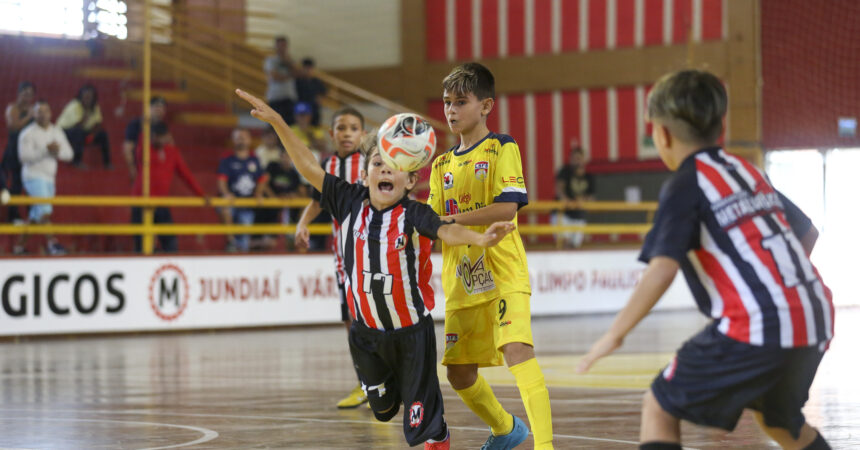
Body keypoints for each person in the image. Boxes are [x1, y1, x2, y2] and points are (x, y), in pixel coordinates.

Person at [237, 87, 517, 449]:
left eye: (394, 167)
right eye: (376, 165)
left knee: (422, 429)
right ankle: (402, 394)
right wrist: (277, 121)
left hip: (412, 335)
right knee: (383, 411)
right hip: (366, 337)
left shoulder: (415, 213)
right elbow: (308, 166)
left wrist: (480, 240)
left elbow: (448, 230)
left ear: (410, 180)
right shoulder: (348, 201)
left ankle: (436, 431)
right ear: (365, 175)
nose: (384, 170)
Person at [577, 70, 834, 450]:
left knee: (659, 405)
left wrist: (613, 335)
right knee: (782, 423)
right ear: (720, 125)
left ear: (661, 134)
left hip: (761, 323)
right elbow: (807, 233)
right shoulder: (747, 171)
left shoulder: (686, 183)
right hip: (815, 314)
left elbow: (662, 268)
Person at [428, 62, 554, 450]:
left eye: (460, 102)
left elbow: (507, 208)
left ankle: (546, 446)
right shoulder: (440, 165)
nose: (451, 110)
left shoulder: (503, 147)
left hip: (503, 271)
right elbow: (431, 223)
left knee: (517, 351)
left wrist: (450, 218)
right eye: (447, 102)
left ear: (486, 106)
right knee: (459, 374)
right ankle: (505, 428)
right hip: (461, 279)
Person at [295, 106, 368, 408]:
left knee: (374, 319)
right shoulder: (327, 164)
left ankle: (388, 379)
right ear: (331, 133)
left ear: (362, 134)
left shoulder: (371, 162)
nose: (347, 133)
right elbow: (318, 200)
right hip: (342, 257)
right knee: (350, 321)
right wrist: (302, 223)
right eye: (341, 127)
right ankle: (366, 383)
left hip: (370, 255)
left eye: (353, 128)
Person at [130, 122, 205, 253]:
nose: (157, 139)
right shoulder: (144, 150)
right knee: (142, 244)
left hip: (161, 203)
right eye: (154, 136)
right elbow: (140, 148)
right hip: (141, 202)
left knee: (170, 243)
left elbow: (186, 175)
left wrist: (201, 194)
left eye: (160, 136)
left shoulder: (172, 152)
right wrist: (148, 124)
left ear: (167, 136)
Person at [16, 101, 73, 255]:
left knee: (36, 214)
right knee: (45, 210)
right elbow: (23, 157)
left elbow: (69, 154)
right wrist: (45, 150)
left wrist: (56, 151)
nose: (42, 114)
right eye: (39, 111)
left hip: (49, 177)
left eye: (45, 110)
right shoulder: (27, 133)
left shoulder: (57, 132)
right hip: (33, 176)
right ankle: (52, 244)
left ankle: (19, 247)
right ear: (34, 114)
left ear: (51, 113)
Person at [217, 128, 267, 252]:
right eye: (238, 137)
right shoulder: (227, 160)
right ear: (233, 140)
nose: (241, 140)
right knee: (226, 208)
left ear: (249, 140)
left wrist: (259, 193)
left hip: (248, 204)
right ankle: (231, 240)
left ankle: (241, 250)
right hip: (233, 201)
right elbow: (221, 181)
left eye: (244, 137)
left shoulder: (255, 160)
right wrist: (227, 194)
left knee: (245, 239)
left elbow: (262, 179)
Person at [3, 81, 36, 224]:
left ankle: (33, 215)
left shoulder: (34, 111)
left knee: (30, 185)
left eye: (30, 94)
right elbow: (13, 127)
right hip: (13, 152)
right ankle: (13, 216)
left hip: (28, 153)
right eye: (24, 93)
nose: (27, 96)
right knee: (15, 184)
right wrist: (29, 116)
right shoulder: (12, 108)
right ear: (18, 93)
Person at [57, 84, 111, 169]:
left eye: (90, 97)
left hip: (83, 132)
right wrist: (86, 115)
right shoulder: (74, 105)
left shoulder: (95, 106)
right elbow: (78, 125)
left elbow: (98, 124)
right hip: (64, 132)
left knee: (103, 134)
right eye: (86, 96)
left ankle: (107, 163)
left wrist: (92, 135)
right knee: (79, 132)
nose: (88, 99)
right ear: (80, 96)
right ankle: (76, 161)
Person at [259, 148, 303, 250]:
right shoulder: (273, 166)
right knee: (267, 240)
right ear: (280, 156)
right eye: (285, 155)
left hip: (285, 211)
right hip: (269, 209)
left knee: (290, 236)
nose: (287, 159)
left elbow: (301, 194)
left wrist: (293, 196)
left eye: (290, 156)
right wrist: (274, 198)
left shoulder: (294, 174)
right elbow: (263, 184)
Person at [553, 142, 594, 248]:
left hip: (578, 215)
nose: (577, 161)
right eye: (574, 158)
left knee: (575, 246)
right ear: (570, 159)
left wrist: (582, 200)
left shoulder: (589, 176)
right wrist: (566, 200)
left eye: (579, 158)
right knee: (564, 243)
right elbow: (559, 188)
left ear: (584, 159)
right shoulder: (565, 171)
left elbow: (591, 196)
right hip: (563, 213)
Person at [123, 96, 169, 184]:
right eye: (157, 106)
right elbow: (128, 148)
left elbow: (170, 147)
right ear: (148, 108)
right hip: (140, 168)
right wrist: (132, 169)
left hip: (157, 171)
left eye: (163, 107)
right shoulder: (136, 124)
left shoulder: (163, 127)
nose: (160, 110)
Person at [264, 35, 298, 125]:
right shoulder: (270, 60)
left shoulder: (291, 60)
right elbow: (275, 76)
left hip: (289, 97)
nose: (282, 48)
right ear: (275, 46)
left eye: (284, 45)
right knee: (274, 124)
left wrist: (287, 61)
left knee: (290, 125)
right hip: (275, 98)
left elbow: (297, 73)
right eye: (279, 45)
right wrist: (290, 76)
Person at [295, 57, 327, 126]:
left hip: (314, 109)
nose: (307, 70)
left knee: (315, 129)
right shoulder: (298, 81)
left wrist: (320, 99)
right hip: (302, 110)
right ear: (302, 69)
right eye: (306, 68)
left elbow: (323, 93)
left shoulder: (317, 81)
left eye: (309, 68)